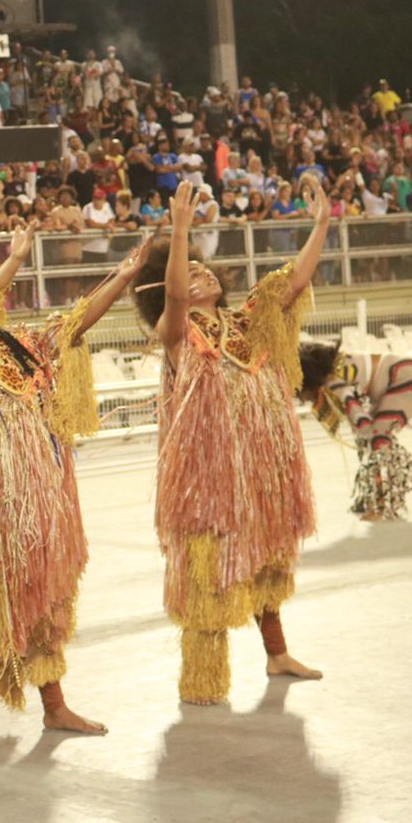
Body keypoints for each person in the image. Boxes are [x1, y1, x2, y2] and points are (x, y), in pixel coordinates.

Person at [0, 225, 153, 765]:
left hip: (29, 511)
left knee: (42, 608)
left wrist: (123, 276)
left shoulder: (21, 349)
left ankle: (55, 705)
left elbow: (73, 324)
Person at [129, 176, 330, 705]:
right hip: (208, 483)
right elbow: (173, 293)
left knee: (265, 560)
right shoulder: (178, 335)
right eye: (190, 272)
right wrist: (178, 232)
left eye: (203, 268)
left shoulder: (248, 325)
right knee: (208, 576)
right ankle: (203, 681)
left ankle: (277, 652)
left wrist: (322, 223)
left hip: (259, 474)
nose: (199, 274)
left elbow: (291, 284)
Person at [298, 342, 412, 521]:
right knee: (375, 439)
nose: (303, 399)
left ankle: (382, 505)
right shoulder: (336, 369)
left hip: (407, 376)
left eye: (301, 394)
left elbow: (364, 425)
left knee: (378, 439)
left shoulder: (334, 383)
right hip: (406, 370)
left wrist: (359, 426)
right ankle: (376, 499)